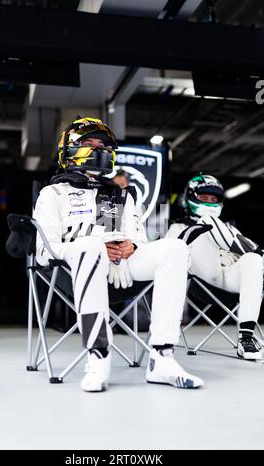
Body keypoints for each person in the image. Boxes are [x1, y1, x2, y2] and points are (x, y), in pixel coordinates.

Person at [34, 116, 204, 392]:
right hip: (70, 271)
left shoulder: (118, 195)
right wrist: (93, 245)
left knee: (175, 247)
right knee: (89, 246)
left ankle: (162, 357)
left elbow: (137, 237)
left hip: (121, 267)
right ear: (69, 149)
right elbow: (44, 251)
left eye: (102, 145)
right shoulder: (53, 194)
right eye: (88, 143)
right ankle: (98, 357)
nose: (98, 149)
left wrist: (133, 247)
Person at [166, 173, 263, 360]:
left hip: (228, 279)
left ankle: (246, 338)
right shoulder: (177, 228)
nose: (210, 203)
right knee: (207, 222)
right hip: (200, 283)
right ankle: (260, 252)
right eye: (204, 198)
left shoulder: (229, 228)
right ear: (191, 198)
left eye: (214, 199)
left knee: (252, 259)